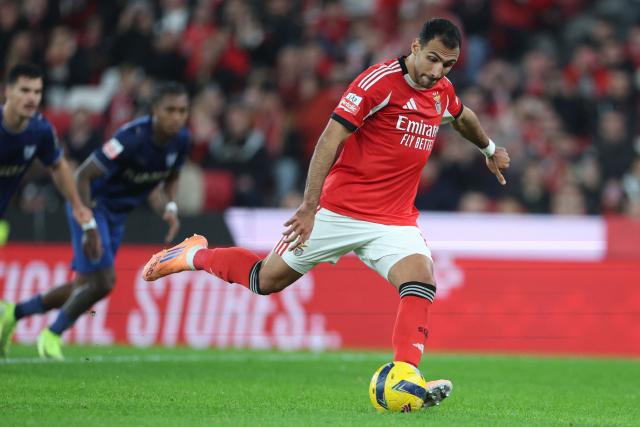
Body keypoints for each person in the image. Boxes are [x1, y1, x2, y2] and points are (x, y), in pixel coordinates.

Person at [143, 18, 510, 407]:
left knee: (421, 277)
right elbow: (330, 136)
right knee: (266, 280)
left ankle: (405, 374)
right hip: (339, 210)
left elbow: (463, 116)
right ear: (415, 47)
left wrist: (489, 150)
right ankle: (192, 255)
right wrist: (308, 206)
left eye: (448, 65)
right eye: (433, 59)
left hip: (394, 219)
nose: (437, 71)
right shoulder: (377, 83)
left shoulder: (441, 91)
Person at [0, 81, 191, 359]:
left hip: (118, 215)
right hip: (93, 206)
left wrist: (170, 205)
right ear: (154, 111)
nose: (177, 116)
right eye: (170, 109)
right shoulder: (130, 139)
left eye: (182, 110)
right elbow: (83, 176)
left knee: (85, 285)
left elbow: (173, 173)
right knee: (104, 282)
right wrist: (88, 223)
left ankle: (14, 312)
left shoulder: (182, 140)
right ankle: (52, 334)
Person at [0, 63, 97, 357]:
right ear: (8, 92)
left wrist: (78, 205)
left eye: (37, 92)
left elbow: (57, 165)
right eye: (25, 90)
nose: (32, 97)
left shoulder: (40, 131)